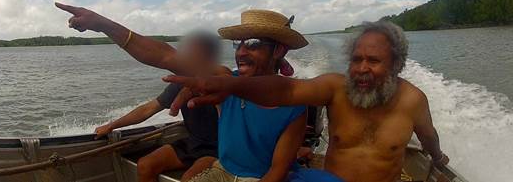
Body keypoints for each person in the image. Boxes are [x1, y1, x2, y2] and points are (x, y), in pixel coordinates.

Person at [165, 21, 449, 182]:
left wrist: (436, 157)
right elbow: (286, 91)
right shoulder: (335, 87)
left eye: (373, 61)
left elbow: (429, 137)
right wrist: (230, 84)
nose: (361, 68)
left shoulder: (413, 101)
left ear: (396, 64)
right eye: (356, 60)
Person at [55, 3, 307, 182]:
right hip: (223, 170)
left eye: (252, 44)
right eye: (238, 44)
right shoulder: (224, 80)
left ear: (278, 51)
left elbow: (277, 171)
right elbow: (165, 55)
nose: (241, 52)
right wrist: (102, 24)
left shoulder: (295, 104)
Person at [94, 32, 221, 182]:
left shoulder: (223, 81)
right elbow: (148, 109)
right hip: (193, 143)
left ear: (209, 57)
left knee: (189, 178)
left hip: (218, 149)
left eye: (194, 53)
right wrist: (111, 126)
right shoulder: (182, 82)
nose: (186, 57)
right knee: (145, 165)